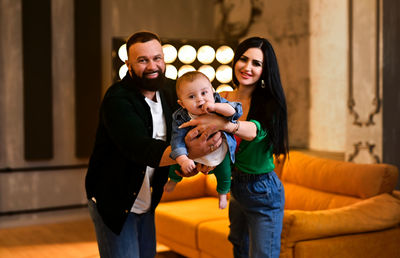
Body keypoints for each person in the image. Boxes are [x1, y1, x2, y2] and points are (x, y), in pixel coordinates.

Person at [85, 31, 221, 258]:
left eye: (157, 58)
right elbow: (140, 149)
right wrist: (190, 152)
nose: (152, 66)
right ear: (128, 65)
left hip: (147, 198)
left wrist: (202, 159)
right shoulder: (117, 100)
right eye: (142, 60)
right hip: (114, 200)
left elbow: (187, 127)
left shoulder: (171, 91)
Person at [181, 36, 289, 257]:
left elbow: (255, 131)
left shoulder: (270, 103)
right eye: (243, 59)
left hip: (263, 190)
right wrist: (205, 163)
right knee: (238, 247)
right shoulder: (221, 99)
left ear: (265, 70)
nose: (247, 67)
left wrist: (224, 124)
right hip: (236, 185)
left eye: (256, 63)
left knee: (262, 254)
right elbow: (214, 144)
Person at [164, 71, 242, 209]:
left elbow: (235, 111)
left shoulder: (219, 103)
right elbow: (177, 141)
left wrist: (215, 107)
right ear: (182, 103)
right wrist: (184, 160)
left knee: (224, 173)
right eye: (192, 96)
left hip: (219, 149)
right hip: (192, 152)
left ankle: (223, 194)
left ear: (212, 92)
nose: (200, 100)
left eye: (204, 93)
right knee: (174, 162)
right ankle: (174, 179)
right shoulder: (180, 117)